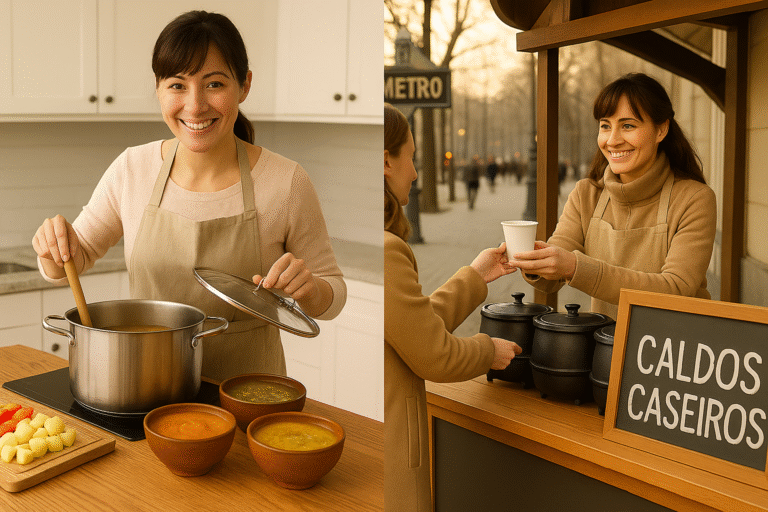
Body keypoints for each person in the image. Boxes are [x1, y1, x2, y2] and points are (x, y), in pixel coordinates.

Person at [31, 11, 346, 381]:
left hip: (248, 393)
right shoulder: (131, 169)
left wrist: (310, 292)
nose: (195, 107)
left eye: (214, 84)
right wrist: (52, 248)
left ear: (244, 85)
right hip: (149, 387)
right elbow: (74, 256)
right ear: (159, 88)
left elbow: (332, 294)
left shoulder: (287, 181)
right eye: (177, 85)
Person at [384, 102, 522, 512]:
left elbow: (411, 325)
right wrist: (488, 350)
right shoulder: (388, 248)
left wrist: (476, 276)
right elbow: (435, 356)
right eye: (411, 157)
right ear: (385, 162)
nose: (414, 171)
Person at [513, 73, 717, 320]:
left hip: (674, 350)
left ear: (661, 129)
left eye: (628, 125)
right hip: (607, 347)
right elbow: (554, 273)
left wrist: (575, 267)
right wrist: (533, 259)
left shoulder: (694, 199)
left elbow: (675, 289)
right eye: (605, 126)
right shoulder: (586, 194)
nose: (612, 140)